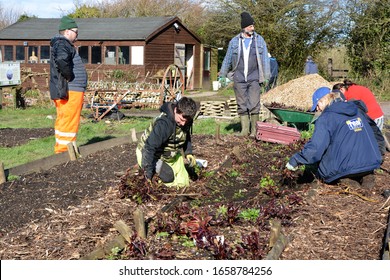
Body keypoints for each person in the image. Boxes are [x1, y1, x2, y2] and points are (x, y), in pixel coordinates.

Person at [286, 87, 382, 187]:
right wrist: (379, 155)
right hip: (370, 162)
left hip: (343, 168)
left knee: (332, 170)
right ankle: (366, 176)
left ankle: (347, 180)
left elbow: (316, 148)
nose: (317, 109)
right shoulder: (357, 110)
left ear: (323, 101)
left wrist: (296, 160)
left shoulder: (326, 118)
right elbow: (376, 132)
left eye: (317, 105)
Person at [219, 11, 270, 137]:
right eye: (250, 26)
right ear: (244, 27)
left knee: (254, 103)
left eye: (253, 26)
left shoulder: (259, 40)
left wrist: (267, 77)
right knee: (242, 104)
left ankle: (254, 131)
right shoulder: (235, 42)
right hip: (239, 77)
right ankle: (244, 130)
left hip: (254, 77)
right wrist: (222, 75)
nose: (253, 28)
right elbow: (228, 58)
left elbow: (265, 60)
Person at [136, 97, 198, 187]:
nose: (184, 124)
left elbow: (186, 135)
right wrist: (147, 175)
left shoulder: (186, 118)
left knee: (183, 182)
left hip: (169, 154)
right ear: (176, 110)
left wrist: (188, 152)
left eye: (186, 121)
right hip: (151, 154)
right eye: (181, 120)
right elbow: (149, 148)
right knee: (168, 177)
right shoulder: (164, 124)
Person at [50, 16, 87, 154]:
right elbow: (61, 59)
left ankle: (61, 149)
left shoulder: (60, 43)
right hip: (72, 90)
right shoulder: (62, 43)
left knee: (64, 119)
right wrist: (69, 75)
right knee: (70, 120)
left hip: (68, 89)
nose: (77, 35)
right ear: (67, 32)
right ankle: (65, 152)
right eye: (75, 32)